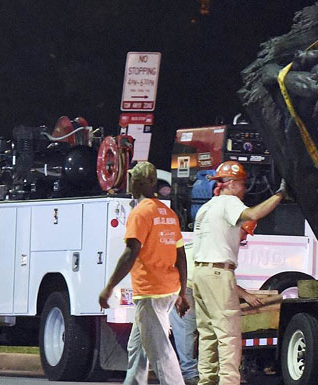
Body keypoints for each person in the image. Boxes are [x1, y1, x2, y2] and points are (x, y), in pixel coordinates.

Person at [191, 161, 288, 385]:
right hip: (218, 273)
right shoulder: (229, 202)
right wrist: (280, 195)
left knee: (208, 335)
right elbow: (253, 214)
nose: (245, 189)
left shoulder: (207, 208)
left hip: (200, 274)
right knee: (229, 336)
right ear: (232, 183)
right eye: (243, 184)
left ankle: (207, 381)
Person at [98, 161, 189, 385]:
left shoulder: (140, 213)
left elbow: (131, 252)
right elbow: (181, 255)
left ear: (135, 182)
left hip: (151, 293)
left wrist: (109, 287)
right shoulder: (167, 213)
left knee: (161, 353)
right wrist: (182, 292)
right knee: (137, 349)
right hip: (168, 289)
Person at [169, 236, 198, 385]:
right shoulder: (213, 246)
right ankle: (190, 373)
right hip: (184, 286)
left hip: (183, 285)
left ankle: (189, 371)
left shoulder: (201, 242)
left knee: (186, 330)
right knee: (186, 329)